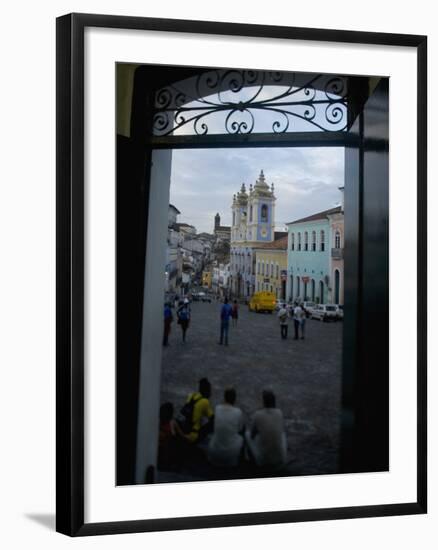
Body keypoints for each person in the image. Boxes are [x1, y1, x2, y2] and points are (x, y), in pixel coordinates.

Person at [245, 390, 287, 469]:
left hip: (263, 461)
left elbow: (252, 435)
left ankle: (248, 459)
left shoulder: (258, 414)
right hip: (280, 460)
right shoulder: (279, 413)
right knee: (282, 434)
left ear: (264, 401)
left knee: (247, 434)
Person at [208, 387, 244, 467]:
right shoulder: (238, 412)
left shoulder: (217, 408)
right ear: (234, 399)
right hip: (231, 455)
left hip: (214, 453)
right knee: (243, 436)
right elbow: (240, 429)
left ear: (224, 397)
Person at [183, 378, 214, 444]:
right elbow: (212, 418)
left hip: (185, 430)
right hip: (194, 436)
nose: (210, 393)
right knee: (213, 423)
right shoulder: (205, 401)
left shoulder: (191, 396)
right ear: (206, 391)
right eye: (209, 391)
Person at [157, 402, 187, 470]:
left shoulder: (159, 421)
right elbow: (182, 436)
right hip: (166, 452)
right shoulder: (172, 423)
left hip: (163, 451)